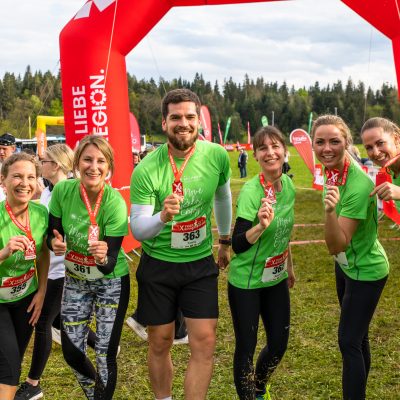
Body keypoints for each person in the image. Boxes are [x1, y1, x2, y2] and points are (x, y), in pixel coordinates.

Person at [130, 88, 232, 400]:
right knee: (160, 341)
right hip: (159, 266)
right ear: (164, 123)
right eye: (176, 117)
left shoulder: (216, 155)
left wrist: (225, 240)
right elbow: (137, 228)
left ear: (199, 120)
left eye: (190, 116)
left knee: (204, 341)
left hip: (199, 264)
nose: (183, 123)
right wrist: (162, 216)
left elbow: (223, 196)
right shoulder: (147, 169)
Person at [311, 115, 389, 400]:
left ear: (347, 142)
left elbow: (336, 245)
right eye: (320, 142)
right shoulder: (332, 171)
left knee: (348, 341)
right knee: (358, 337)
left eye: (334, 141)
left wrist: (330, 213)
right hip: (346, 268)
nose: (327, 148)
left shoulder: (357, 184)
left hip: (366, 271)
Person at [47, 135, 130, 400]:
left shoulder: (114, 202)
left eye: (101, 161)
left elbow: (110, 264)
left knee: (105, 354)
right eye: (87, 159)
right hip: (75, 279)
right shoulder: (62, 191)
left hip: (111, 282)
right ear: (76, 164)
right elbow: (52, 234)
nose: (93, 167)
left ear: (109, 169)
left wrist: (104, 256)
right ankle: (98, 394)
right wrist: (54, 243)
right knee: (72, 352)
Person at [14, 144, 95, 400]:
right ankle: (101, 345)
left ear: (56, 165)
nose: (41, 163)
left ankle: (33, 383)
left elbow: (83, 226)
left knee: (42, 323)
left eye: (45, 160)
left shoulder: (70, 191)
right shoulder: (50, 191)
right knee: (59, 320)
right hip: (51, 269)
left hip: (63, 271)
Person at [228, 126, 295, 400]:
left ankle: (259, 388)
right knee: (247, 345)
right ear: (255, 154)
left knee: (279, 344)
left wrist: (289, 266)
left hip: (276, 278)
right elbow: (238, 245)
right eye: (263, 148)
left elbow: (285, 230)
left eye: (275, 146)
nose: (270, 152)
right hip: (247, 282)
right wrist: (259, 226)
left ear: (285, 151)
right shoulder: (251, 192)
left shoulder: (288, 186)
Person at [0, 152, 50, 400]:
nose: (24, 183)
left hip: (25, 298)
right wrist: (3, 253)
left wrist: (41, 292)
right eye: (17, 176)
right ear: (3, 181)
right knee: (9, 368)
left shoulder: (41, 214)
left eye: (31, 177)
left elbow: (41, 254)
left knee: (13, 362)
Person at [361, 117, 400, 205]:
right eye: (369, 148)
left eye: (380, 143)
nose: (376, 153)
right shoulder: (391, 167)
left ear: (396, 139)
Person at [0, 132, 17, 202]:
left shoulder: (20, 165)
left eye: (4, 149)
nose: (1, 152)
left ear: (13, 148)